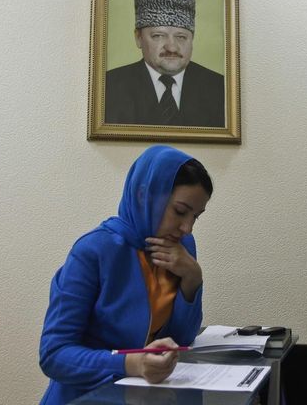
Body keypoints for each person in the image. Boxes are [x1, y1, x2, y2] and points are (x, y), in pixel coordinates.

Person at [39, 146, 212, 404]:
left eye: (195, 217)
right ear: (144, 195)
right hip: (84, 398)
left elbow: (181, 340)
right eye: (179, 211)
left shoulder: (181, 250)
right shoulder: (94, 251)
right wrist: (130, 363)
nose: (187, 228)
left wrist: (192, 278)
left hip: (142, 397)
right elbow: (54, 355)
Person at [105, 0, 225, 128]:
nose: (172, 47)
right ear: (138, 38)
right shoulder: (108, 88)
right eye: (158, 36)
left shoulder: (220, 89)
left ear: (192, 38)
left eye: (181, 37)